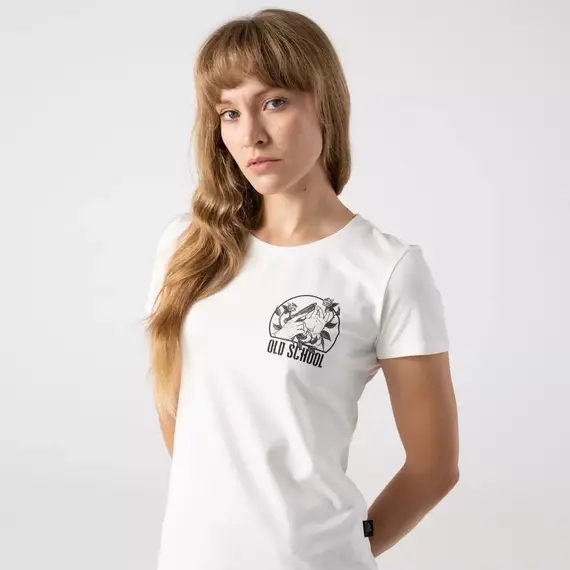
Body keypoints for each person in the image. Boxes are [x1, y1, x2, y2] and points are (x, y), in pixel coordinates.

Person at [143, 8, 459, 570]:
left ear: (325, 105)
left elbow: (434, 468)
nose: (251, 134)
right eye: (229, 112)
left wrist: (343, 545)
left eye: (274, 102)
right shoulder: (188, 249)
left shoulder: (387, 269)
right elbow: (181, 420)